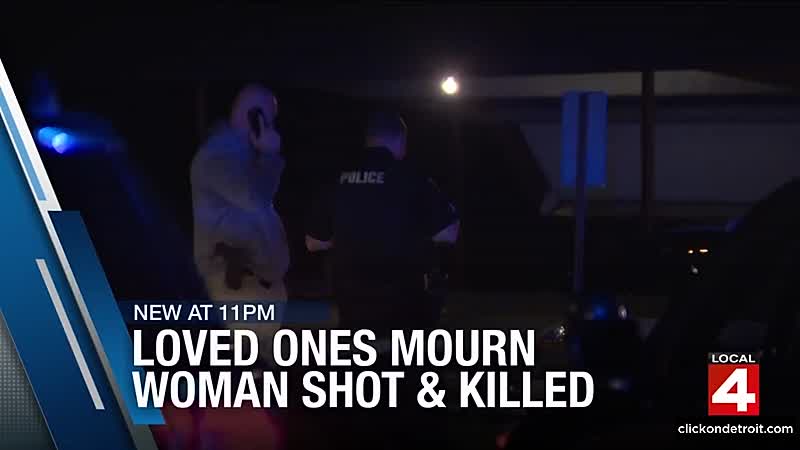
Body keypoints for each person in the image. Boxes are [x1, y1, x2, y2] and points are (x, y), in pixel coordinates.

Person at [305, 112, 459, 338]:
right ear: (401, 140)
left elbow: (313, 242)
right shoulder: (413, 179)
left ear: (368, 139)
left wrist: (354, 235)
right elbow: (449, 234)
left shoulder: (337, 180)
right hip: (404, 301)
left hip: (351, 300)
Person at [190, 83, 289, 365]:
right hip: (237, 285)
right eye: (269, 119)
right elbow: (255, 198)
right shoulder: (219, 155)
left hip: (257, 285)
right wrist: (270, 155)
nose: (272, 128)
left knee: (262, 372)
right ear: (255, 116)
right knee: (243, 371)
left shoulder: (242, 156)